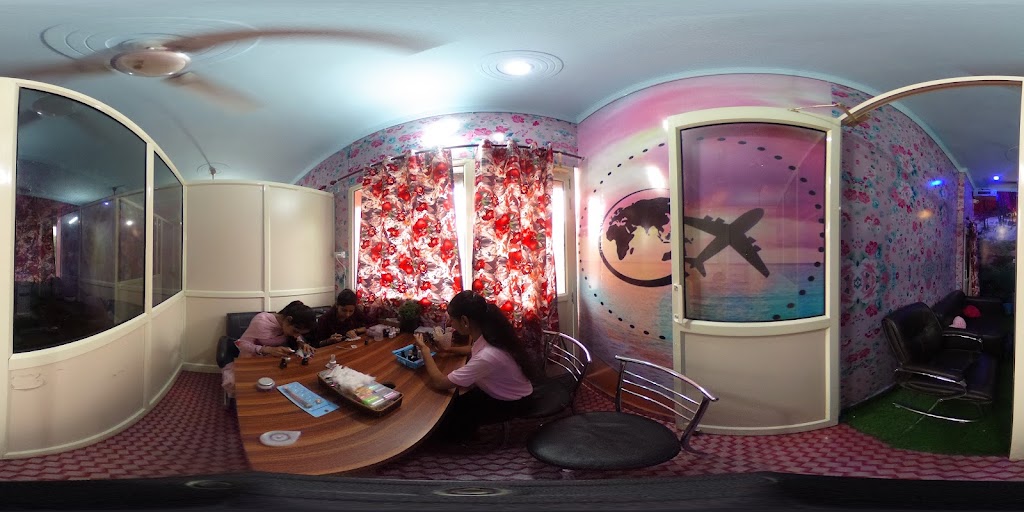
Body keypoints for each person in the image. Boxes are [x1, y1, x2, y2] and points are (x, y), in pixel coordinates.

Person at [413, 290, 537, 442]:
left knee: (442, 426)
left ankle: (464, 440)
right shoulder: (489, 334)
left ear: (464, 321)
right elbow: (472, 349)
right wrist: (448, 349)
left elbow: (440, 382)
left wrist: (425, 350)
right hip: (509, 391)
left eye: (452, 319)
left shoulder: (488, 356)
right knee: (453, 405)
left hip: (513, 403)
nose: (451, 324)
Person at [220, 300, 318, 398]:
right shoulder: (261, 321)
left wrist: (301, 342)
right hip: (253, 359)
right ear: (288, 319)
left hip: (274, 359)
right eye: (295, 331)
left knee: (288, 384)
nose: (296, 335)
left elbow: (297, 335)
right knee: (256, 391)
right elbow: (241, 344)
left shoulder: (287, 325)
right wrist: (266, 349)